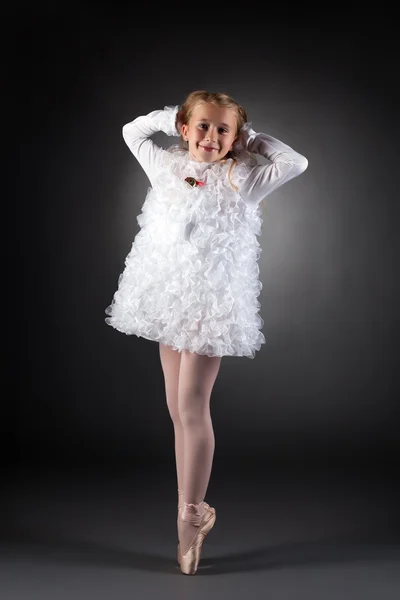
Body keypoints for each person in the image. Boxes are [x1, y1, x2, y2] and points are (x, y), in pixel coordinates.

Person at [105, 90, 308, 574]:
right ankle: (189, 507)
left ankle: (190, 518)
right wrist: (170, 115)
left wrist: (254, 139)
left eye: (223, 130)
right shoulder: (165, 166)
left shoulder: (246, 178)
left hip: (210, 306)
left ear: (236, 139)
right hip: (169, 299)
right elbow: (132, 130)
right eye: (201, 126)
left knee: (193, 407)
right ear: (184, 129)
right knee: (177, 408)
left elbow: (296, 161)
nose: (211, 137)